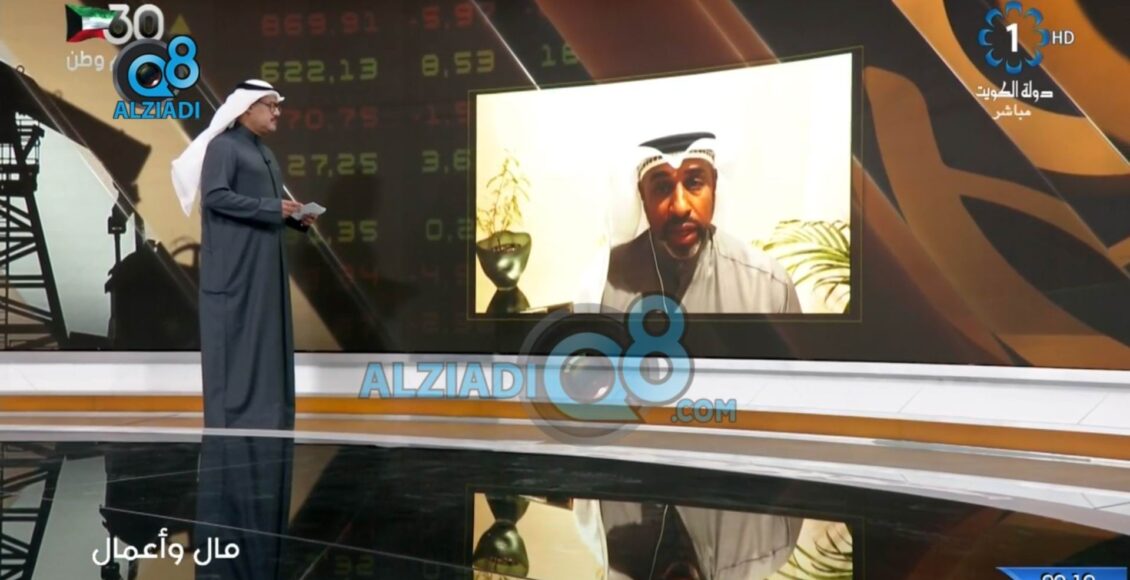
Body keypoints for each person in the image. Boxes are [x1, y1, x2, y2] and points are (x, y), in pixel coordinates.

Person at [170, 79, 316, 430]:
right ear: (247, 109)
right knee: (236, 340)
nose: (277, 113)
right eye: (271, 105)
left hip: (264, 267)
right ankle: (234, 420)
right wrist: (272, 207)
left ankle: (269, 414)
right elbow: (215, 197)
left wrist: (294, 217)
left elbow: (262, 205)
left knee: (266, 338)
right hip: (235, 269)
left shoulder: (264, 152)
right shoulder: (224, 147)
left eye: (278, 106)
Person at [601, 132, 801, 314]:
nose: (680, 207)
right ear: (643, 194)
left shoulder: (767, 287)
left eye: (694, 183)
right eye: (662, 188)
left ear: (714, 184)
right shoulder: (603, 285)